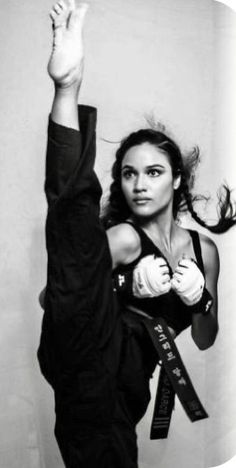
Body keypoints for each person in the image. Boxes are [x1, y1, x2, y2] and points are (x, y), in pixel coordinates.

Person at [38, 1, 236, 467]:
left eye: (152, 172)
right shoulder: (125, 238)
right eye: (129, 174)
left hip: (130, 386)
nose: (139, 184)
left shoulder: (204, 250)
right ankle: (67, 90)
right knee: (73, 220)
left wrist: (200, 301)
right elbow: (58, 296)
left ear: (177, 180)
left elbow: (206, 338)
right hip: (89, 364)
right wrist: (126, 283)